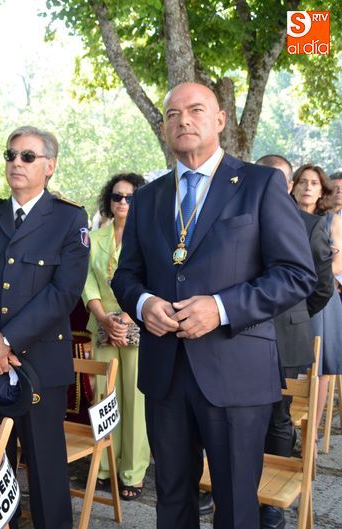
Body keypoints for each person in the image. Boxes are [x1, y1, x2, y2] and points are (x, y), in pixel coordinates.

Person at [111, 82, 316, 529]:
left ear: (220, 120)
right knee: (171, 500)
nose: (183, 120)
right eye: (172, 114)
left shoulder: (260, 184)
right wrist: (143, 303)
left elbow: (296, 274)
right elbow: (125, 276)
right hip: (165, 373)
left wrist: (221, 308)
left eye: (195, 110)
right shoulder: (147, 198)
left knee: (237, 506)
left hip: (236, 372)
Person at [0, 126, 90, 529]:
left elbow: (64, 293)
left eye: (28, 156)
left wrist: (7, 341)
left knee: (46, 473)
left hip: (40, 366)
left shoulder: (69, 218)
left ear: (50, 166)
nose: (16, 162)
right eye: (11, 155)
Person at [255, 155, 334, 529]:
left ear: (288, 185)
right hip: (239, 335)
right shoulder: (238, 217)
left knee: (277, 417)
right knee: (235, 415)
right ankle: (226, 485)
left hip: (286, 336)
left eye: (277, 179)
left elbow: (322, 288)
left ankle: (272, 502)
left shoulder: (310, 225)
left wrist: (292, 313)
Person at [82, 172, 149, 501]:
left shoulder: (150, 237)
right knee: (104, 398)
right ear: (108, 201)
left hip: (136, 321)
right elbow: (87, 282)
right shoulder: (94, 238)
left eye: (130, 197)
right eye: (117, 196)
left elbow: (153, 279)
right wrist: (103, 318)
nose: (123, 202)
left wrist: (127, 317)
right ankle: (105, 466)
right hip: (102, 323)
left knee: (135, 400)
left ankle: (133, 472)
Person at [289, 164, 342, 436]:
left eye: (314, 183)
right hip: (289, 297)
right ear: (293, 186)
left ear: (322, 191)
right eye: (303, 182)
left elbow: (337, 265)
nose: (308, 187)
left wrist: (310, 270)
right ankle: (285, 427)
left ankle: (311, 434)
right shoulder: (282, 215)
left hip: (320, 298)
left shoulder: (331, 220)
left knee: (319, 366)